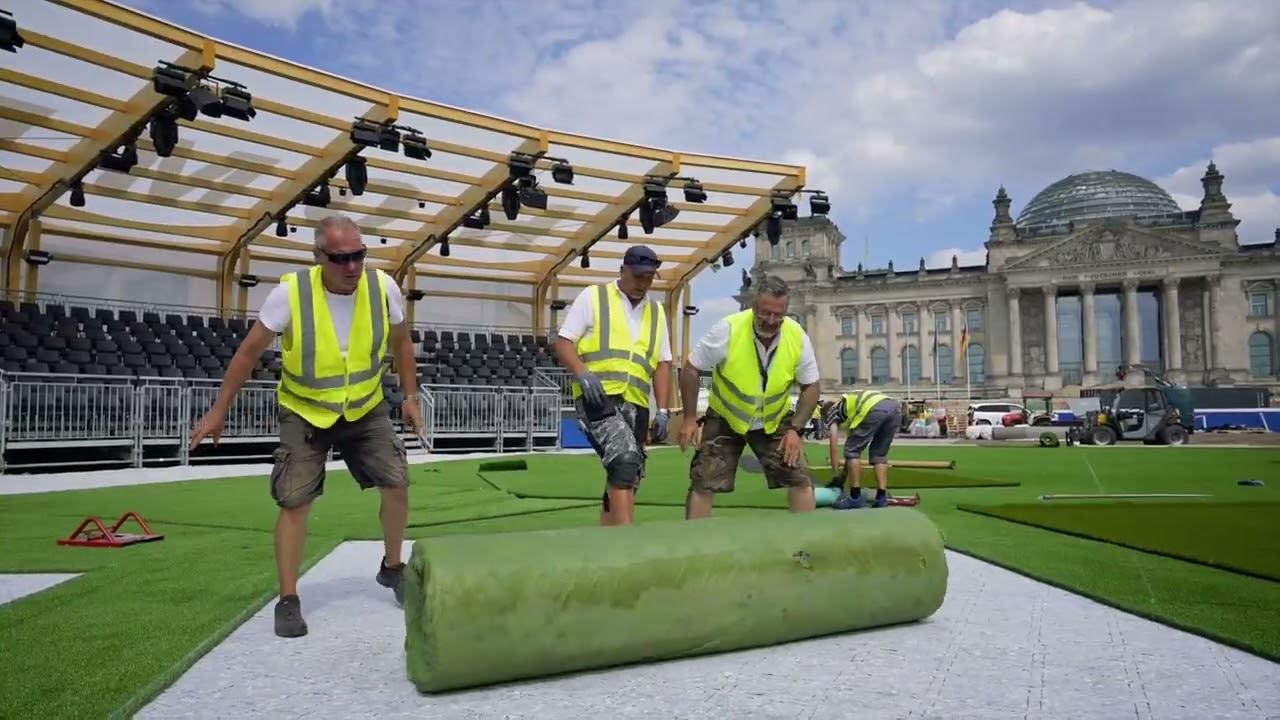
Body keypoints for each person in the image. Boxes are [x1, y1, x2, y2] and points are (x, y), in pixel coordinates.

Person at [189, 214, 424, 639]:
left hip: (365, 407)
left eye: (359, 256)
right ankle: (288, 599)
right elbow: (247, 354)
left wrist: (409, 399)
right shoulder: (290, 294)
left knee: (397, 482)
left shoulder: (383, 287)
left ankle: (393, 568)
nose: (352, 267)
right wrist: (219, 409)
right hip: (304, 410)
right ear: (319, 256)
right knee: (294, 501)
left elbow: (402, 342)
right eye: (341, 259)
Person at [676, 276, 820, 519]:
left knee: (800, 478)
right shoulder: (727, 329)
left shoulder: (797, 337)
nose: (772, 320)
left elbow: (812, 386)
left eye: (778, 314)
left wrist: (796, 429)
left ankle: (805, 545)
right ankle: (696, 544)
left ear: (786, 311)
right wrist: (690, 418)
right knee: (704, 481)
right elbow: (691, 369)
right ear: (754, 306)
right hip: (726, 417)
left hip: (773, 422)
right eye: (765, 313)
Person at [554, 244, 672, 526]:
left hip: (638, 402)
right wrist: (582, 372)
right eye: (638, 276)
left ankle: (606, 540)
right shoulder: (594, 297)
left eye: (649, 278)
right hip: (598, 398)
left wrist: (664, 409)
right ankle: (627, 541)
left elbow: (663, 363)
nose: (643, 283)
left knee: (630, 474)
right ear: (623, 271)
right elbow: (563, 342)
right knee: (625, 461)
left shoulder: (656, 312)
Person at [821, 389, 902, 509]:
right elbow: (850, 456)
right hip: (895, 408)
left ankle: (855, 498)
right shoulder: (852, 408)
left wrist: (836, 476)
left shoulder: (833, 411)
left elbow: (834, 446)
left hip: (874, 408)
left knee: (852, 451)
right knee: (879, 455)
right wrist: (843, 475)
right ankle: (881, 498)